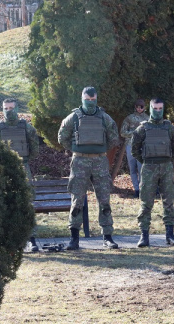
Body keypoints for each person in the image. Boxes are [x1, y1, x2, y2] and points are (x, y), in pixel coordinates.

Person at [58, 86, 120, 250]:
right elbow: (62, 137)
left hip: (100, 162)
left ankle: (107, 237)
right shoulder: (73, 118)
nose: (90, 102)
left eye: (93, 100)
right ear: (82, 98)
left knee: (104, 200)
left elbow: (114, 138)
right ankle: (74, 238)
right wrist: (77, 150)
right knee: (77, 200)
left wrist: (100, 149)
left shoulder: (104, 118)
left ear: (96, 99)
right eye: (87, 99)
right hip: (79, 162)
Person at [131, 98, 174, 247]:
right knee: (146, 202)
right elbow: (135, 149)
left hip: (166, 167)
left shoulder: (169, 128)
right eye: (155, 108)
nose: (158, 111)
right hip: (149, 168)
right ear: (150, 108)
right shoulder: (142, 128)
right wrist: (147, 160)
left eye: (160, 108)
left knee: (169, 202)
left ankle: (170, 235)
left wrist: (168, 160)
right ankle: (144, 236)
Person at [0, 98, 41, 252]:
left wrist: (24, 159)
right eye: (5, 108)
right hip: (3, 169)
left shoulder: (26, 127)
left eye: (11, 108)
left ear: (17, 108)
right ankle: (5, 239)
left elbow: (34, 148)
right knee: (2, 201)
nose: (9, 111)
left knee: (27, 202)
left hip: (23, 167)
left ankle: (31, 239)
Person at [120, 99, 148, 198]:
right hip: (130, 145)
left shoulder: (148, 119)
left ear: (144, 107)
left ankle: (141, 189)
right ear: (135, 107)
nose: (139, 109)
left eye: (141, 107)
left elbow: (150, 133)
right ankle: (136, 190)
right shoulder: (129, 118)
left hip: (142, 146)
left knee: (141, 169)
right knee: (132, 169)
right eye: (137, 106)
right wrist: (134, 133)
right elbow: (122, 132)